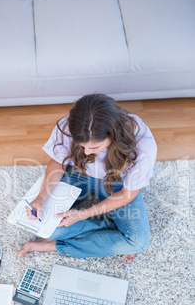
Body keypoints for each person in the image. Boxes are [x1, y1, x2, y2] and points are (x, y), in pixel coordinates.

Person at [18, 94, 157, 262]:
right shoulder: (70, 125)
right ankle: (107, 225)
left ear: (113, 135)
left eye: (94, 147)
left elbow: (128, 194)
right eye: (82, 145)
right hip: (77, 174)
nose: (85, 152)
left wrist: (82, 215)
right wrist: (41, 197)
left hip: (115, 184)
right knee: (43, 228)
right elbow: (57, 164)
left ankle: (54, 245)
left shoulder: (144, 146)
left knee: (137, 242)